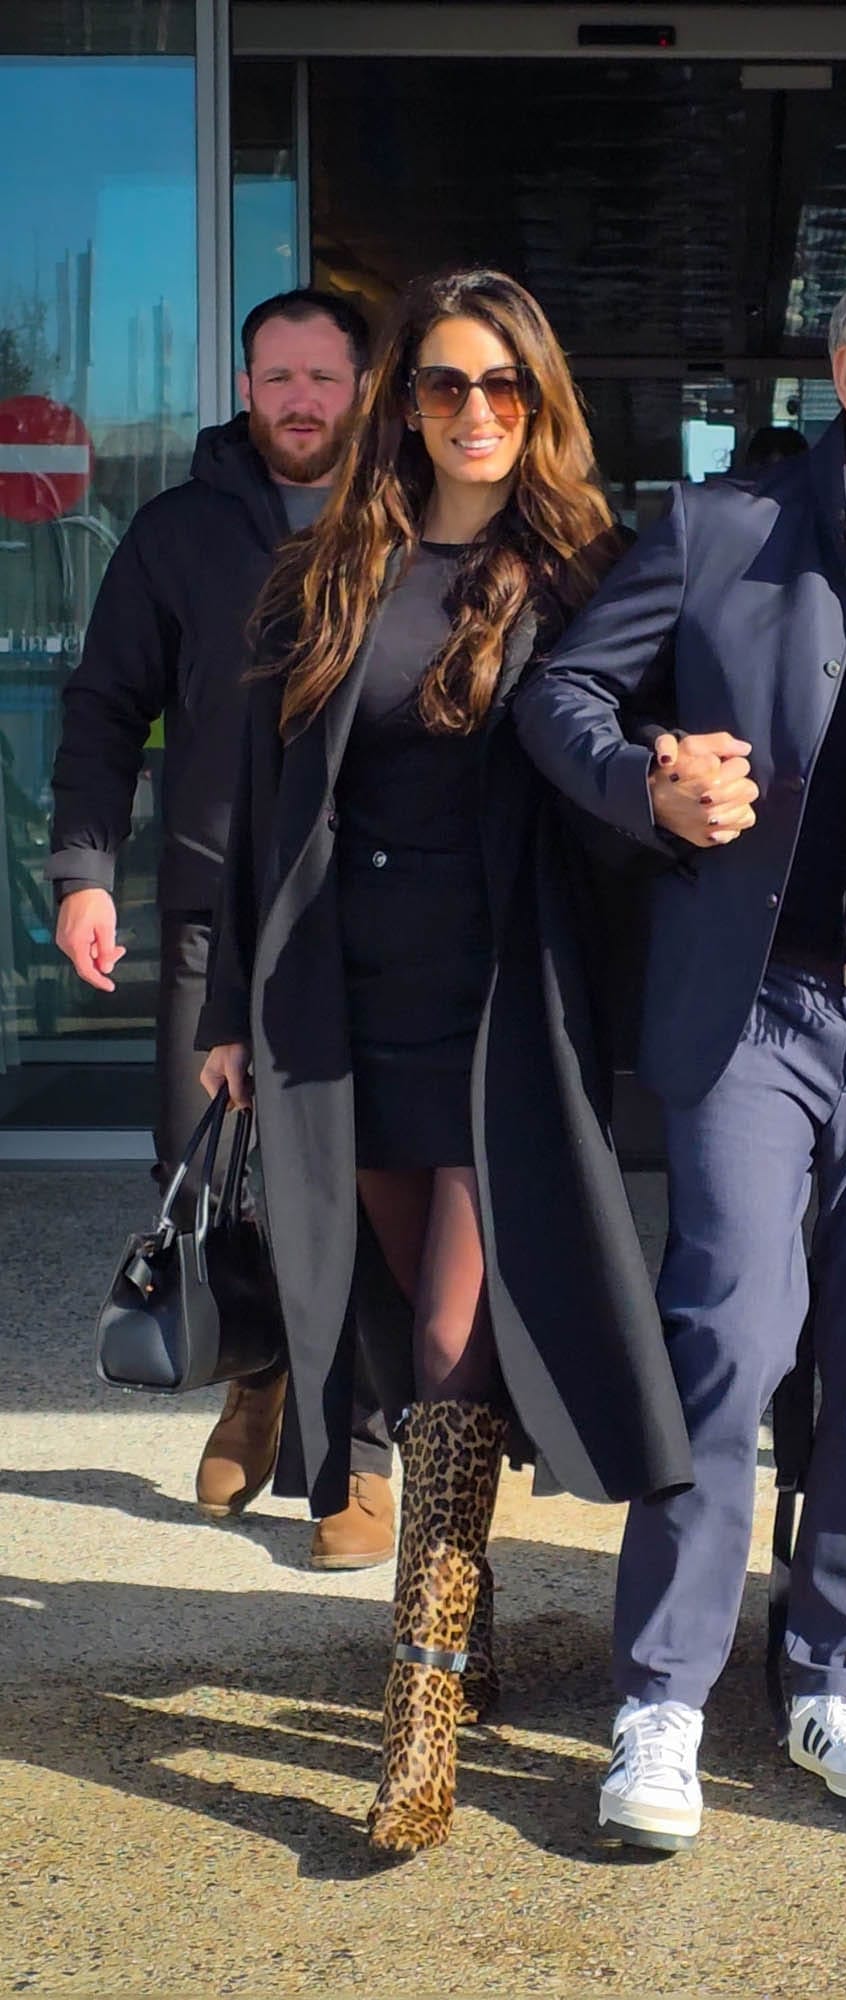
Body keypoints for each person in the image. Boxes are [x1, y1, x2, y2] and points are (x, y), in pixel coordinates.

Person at [516, 254, 846, 1852]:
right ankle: (663, 1699)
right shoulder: (723, 532)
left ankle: (836, 1672)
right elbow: (562, 694)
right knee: (732, 1343)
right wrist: (650, 783)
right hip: (758, 1004)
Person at [195, 267, 691, 1858]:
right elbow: (249, 806)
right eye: (443, 384)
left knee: (454, 1342)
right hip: (346, 1008)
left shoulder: (592, 574)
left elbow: (630, 777)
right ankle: (463, 1635)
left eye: (503, 386)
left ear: (541, 404)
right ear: (400, 402)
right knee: (405, 1328)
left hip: (505, 1012)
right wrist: (224, 1010)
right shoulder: (325, 570)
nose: (475, 412)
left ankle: (417, 1712)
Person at [47, 289, 399, 1570]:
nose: (301, 400)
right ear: (245, 388)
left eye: (323, 376)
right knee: (196, 1162)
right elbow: (104, 704)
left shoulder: (403, 520)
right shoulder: (179, 530)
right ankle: (256, 1372)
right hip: (210, 904)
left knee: (357, 1180)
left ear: (361, 386)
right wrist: (85, 870)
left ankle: (356, 1452)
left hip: (365, 904)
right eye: (277, 377)